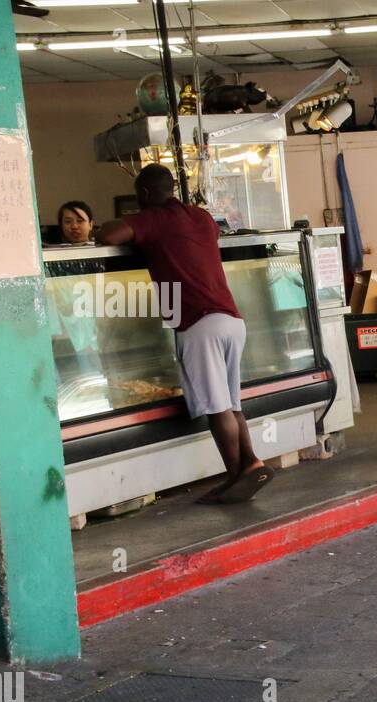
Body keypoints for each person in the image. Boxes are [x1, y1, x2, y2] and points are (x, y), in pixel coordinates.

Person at [95, 164, 273, 504]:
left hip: (197, 322)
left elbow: (108, 236)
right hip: (232, 319)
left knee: (217, 407)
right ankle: (250, 461)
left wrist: (133, 223)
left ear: (144, 195)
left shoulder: (153, 218)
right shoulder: (201, 217)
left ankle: (237, 476)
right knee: (232, 403)